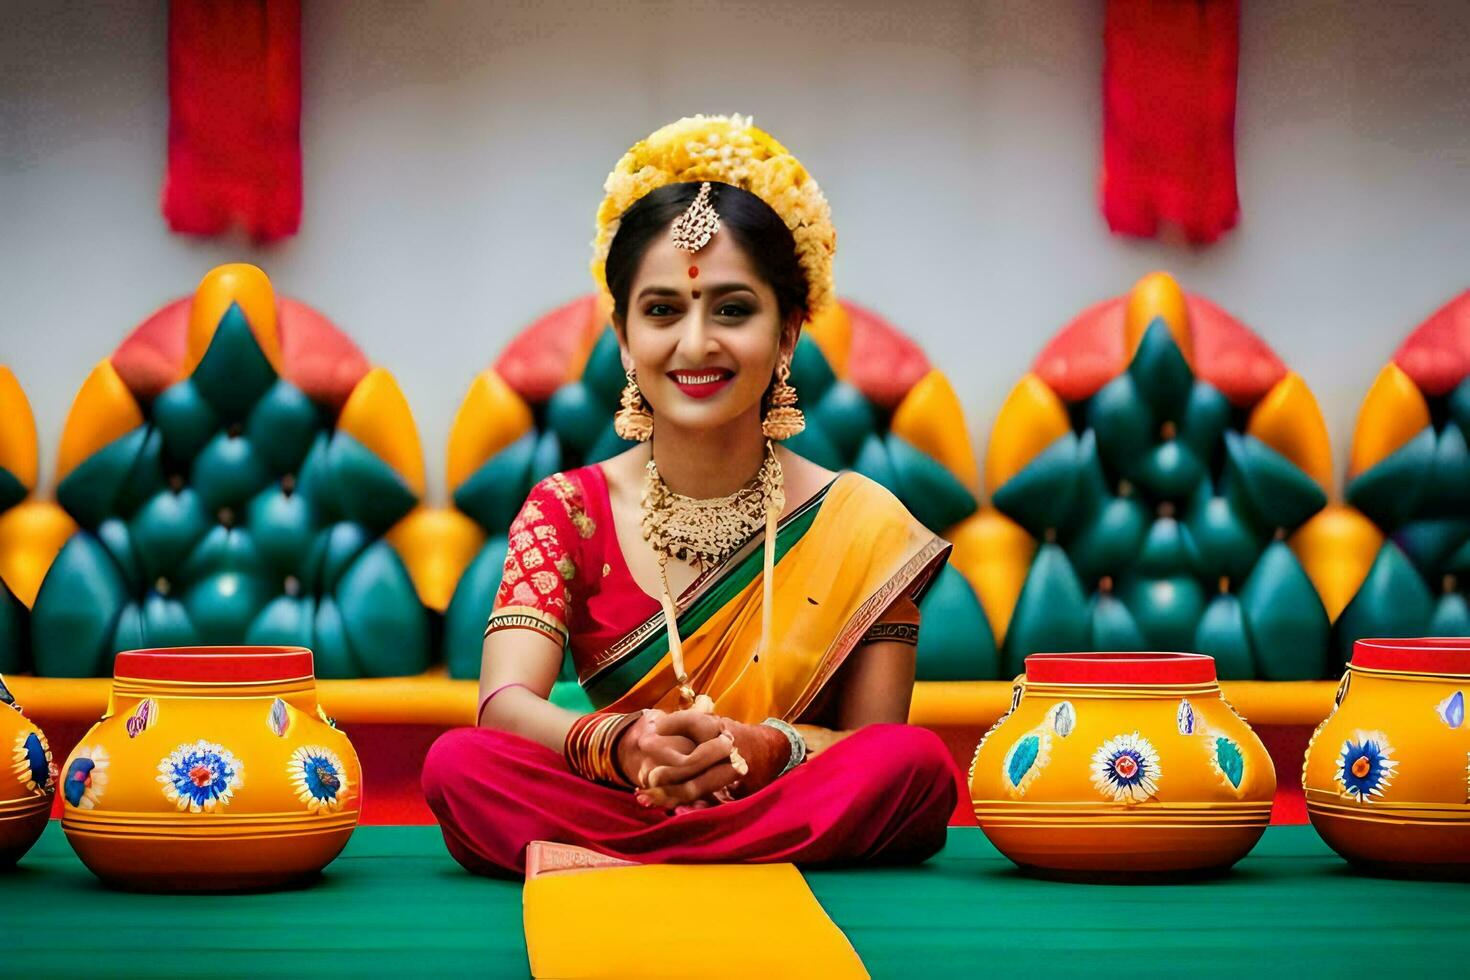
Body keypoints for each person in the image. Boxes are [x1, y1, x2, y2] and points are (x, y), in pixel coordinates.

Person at [422, 115, 958, 877]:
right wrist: (623, 743)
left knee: (914, 765)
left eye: (733, 310)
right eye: (663, 309)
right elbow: (503, 705)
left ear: (788, 335)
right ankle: (726, 862)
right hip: (627, 794)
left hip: (777, 792)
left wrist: (770, 747)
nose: (696, 342)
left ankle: (626, 864)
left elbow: (873, 746)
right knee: (459, 765)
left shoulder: (862, 522)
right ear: (622, 334)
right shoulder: (566, 509)